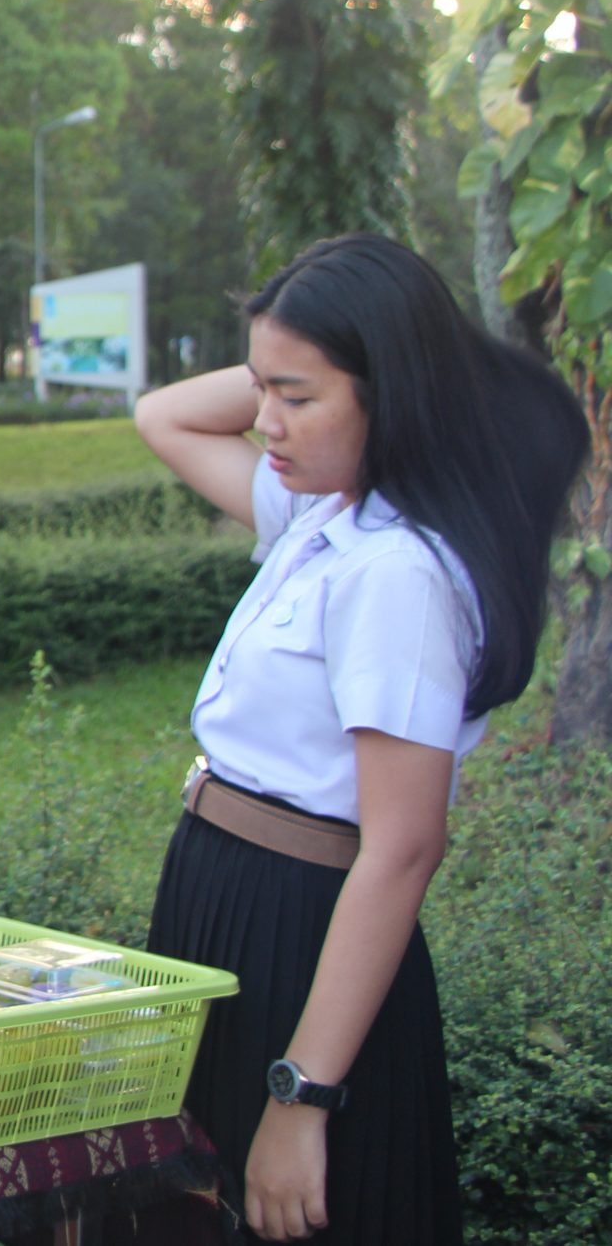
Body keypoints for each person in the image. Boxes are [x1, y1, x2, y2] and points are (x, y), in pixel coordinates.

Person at [132, 233, 585, 1245]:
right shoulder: (321, 514)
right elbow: (162, 415)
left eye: (297, 396)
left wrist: (302, 1097)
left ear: (394, 394)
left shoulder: (398, 572)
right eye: (260, 389)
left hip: (304, 927)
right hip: (225, 895)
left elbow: (403, 847)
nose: (264, 421)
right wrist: (294, 346)